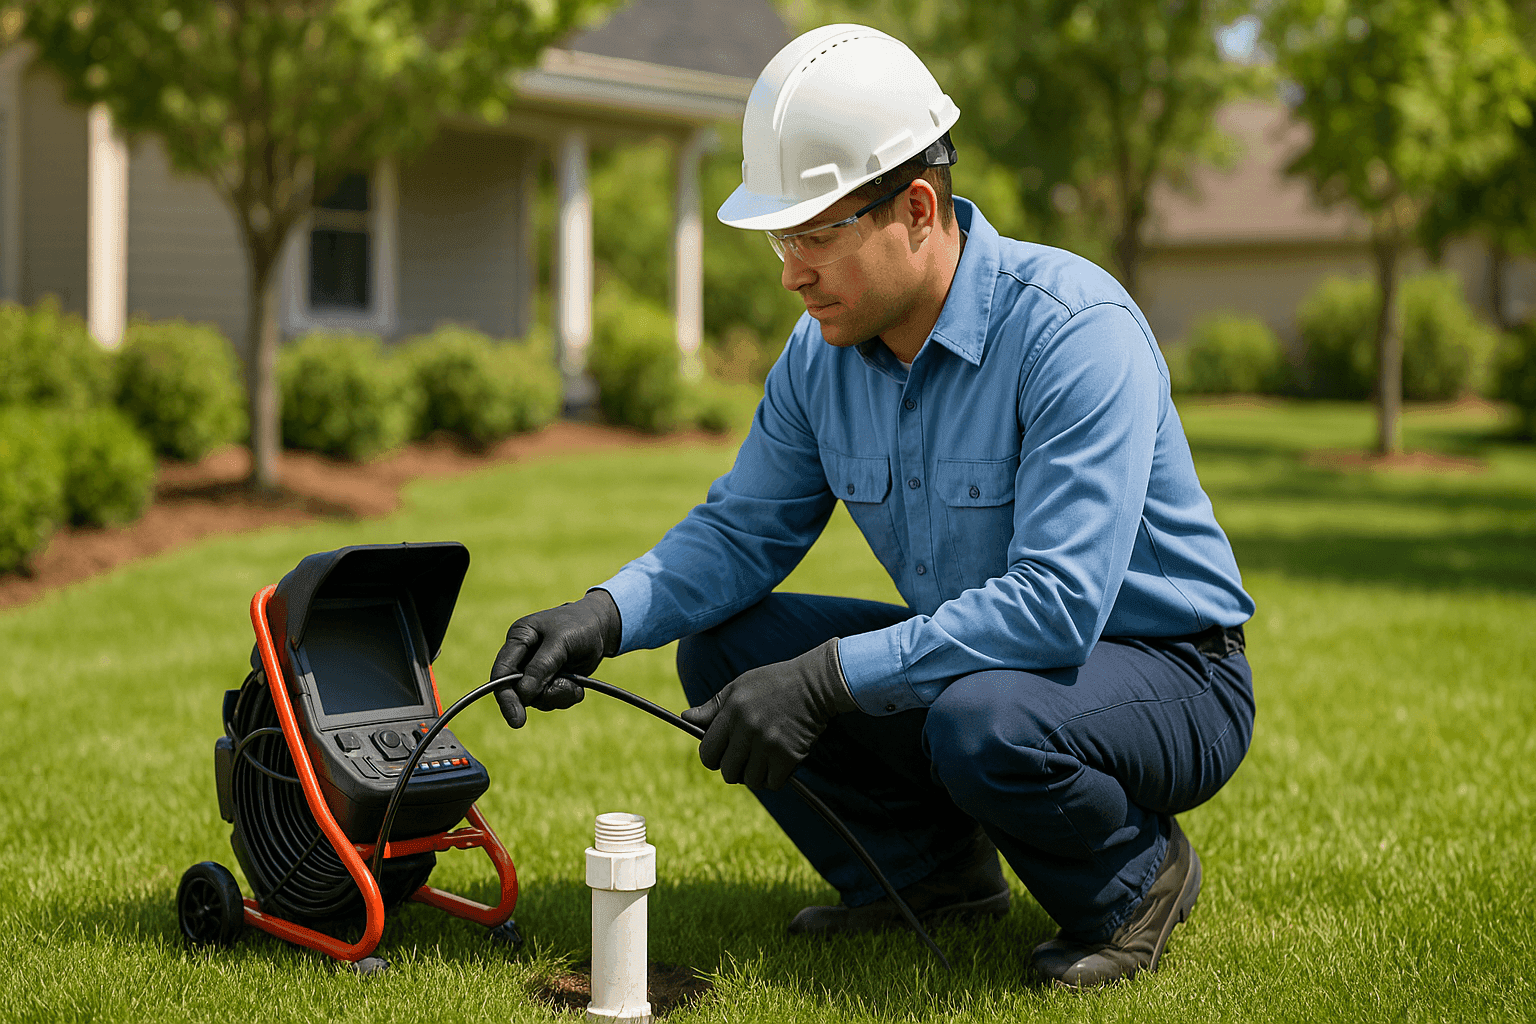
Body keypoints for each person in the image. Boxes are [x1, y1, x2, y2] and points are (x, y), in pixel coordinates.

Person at [489, 24, 1255, 989]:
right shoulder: (819, 357)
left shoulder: (1074, 330)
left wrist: (825, 680)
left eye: (816, 235)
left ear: (918, 209)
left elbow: (1059, 606)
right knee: (730, 648)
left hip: (1172, 672)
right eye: (783, 239)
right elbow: (742, 531)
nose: (790, 272)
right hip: (999, 666)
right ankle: (928, 880)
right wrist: (602, 615)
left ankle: (1137, 879)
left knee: (980, 721)